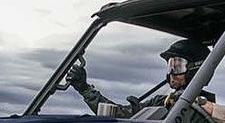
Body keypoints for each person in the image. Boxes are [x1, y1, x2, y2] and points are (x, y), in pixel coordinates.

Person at [68, 39, 210, 118]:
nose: (172, 73)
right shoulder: (161, 102)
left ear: (196, 69)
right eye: (170, 66)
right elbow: (121, 115)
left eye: (177, 66)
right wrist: (85, 89)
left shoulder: (207, 110)